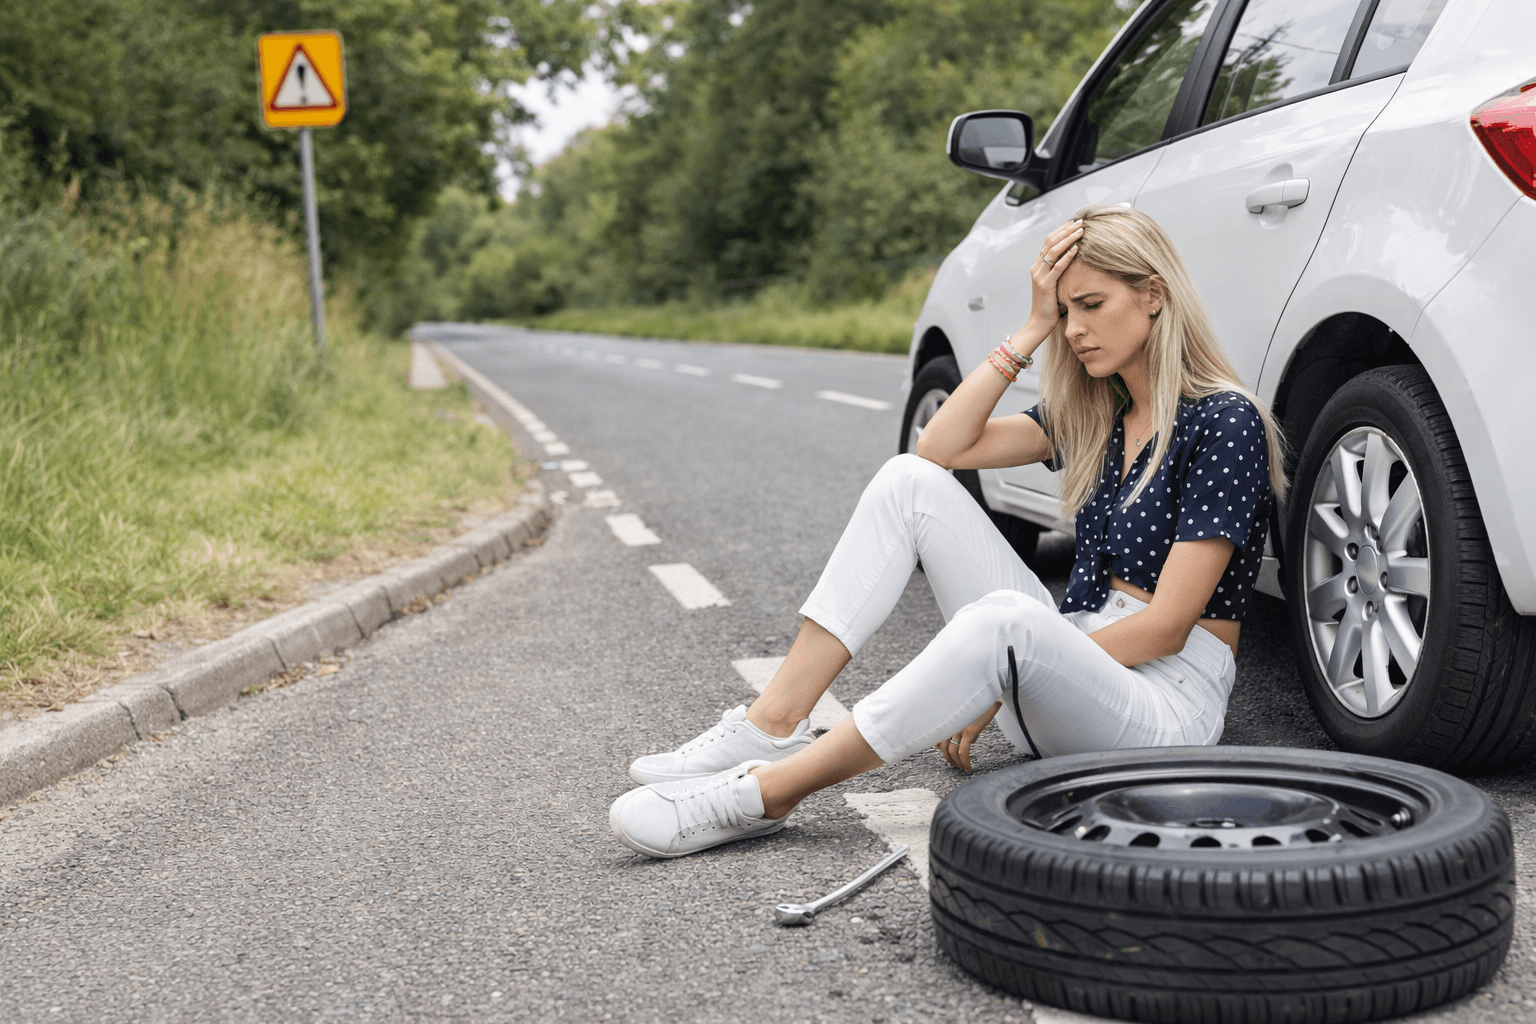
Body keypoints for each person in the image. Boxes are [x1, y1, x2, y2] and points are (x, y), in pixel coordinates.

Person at [609, 204, 1287, 859]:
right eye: (1064, 311)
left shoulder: (1223, 421)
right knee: (908, 482)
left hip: (1162, 710)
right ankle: (771, 725)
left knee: (1006, 621)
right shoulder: (1099, 409)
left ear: (1154, 295)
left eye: (1091, 305)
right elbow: (940, 448)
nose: (1074, 330)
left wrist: (1002, 679)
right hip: (1069, 672)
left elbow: (1168, 626)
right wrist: (1028, 330)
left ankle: (764, 796)